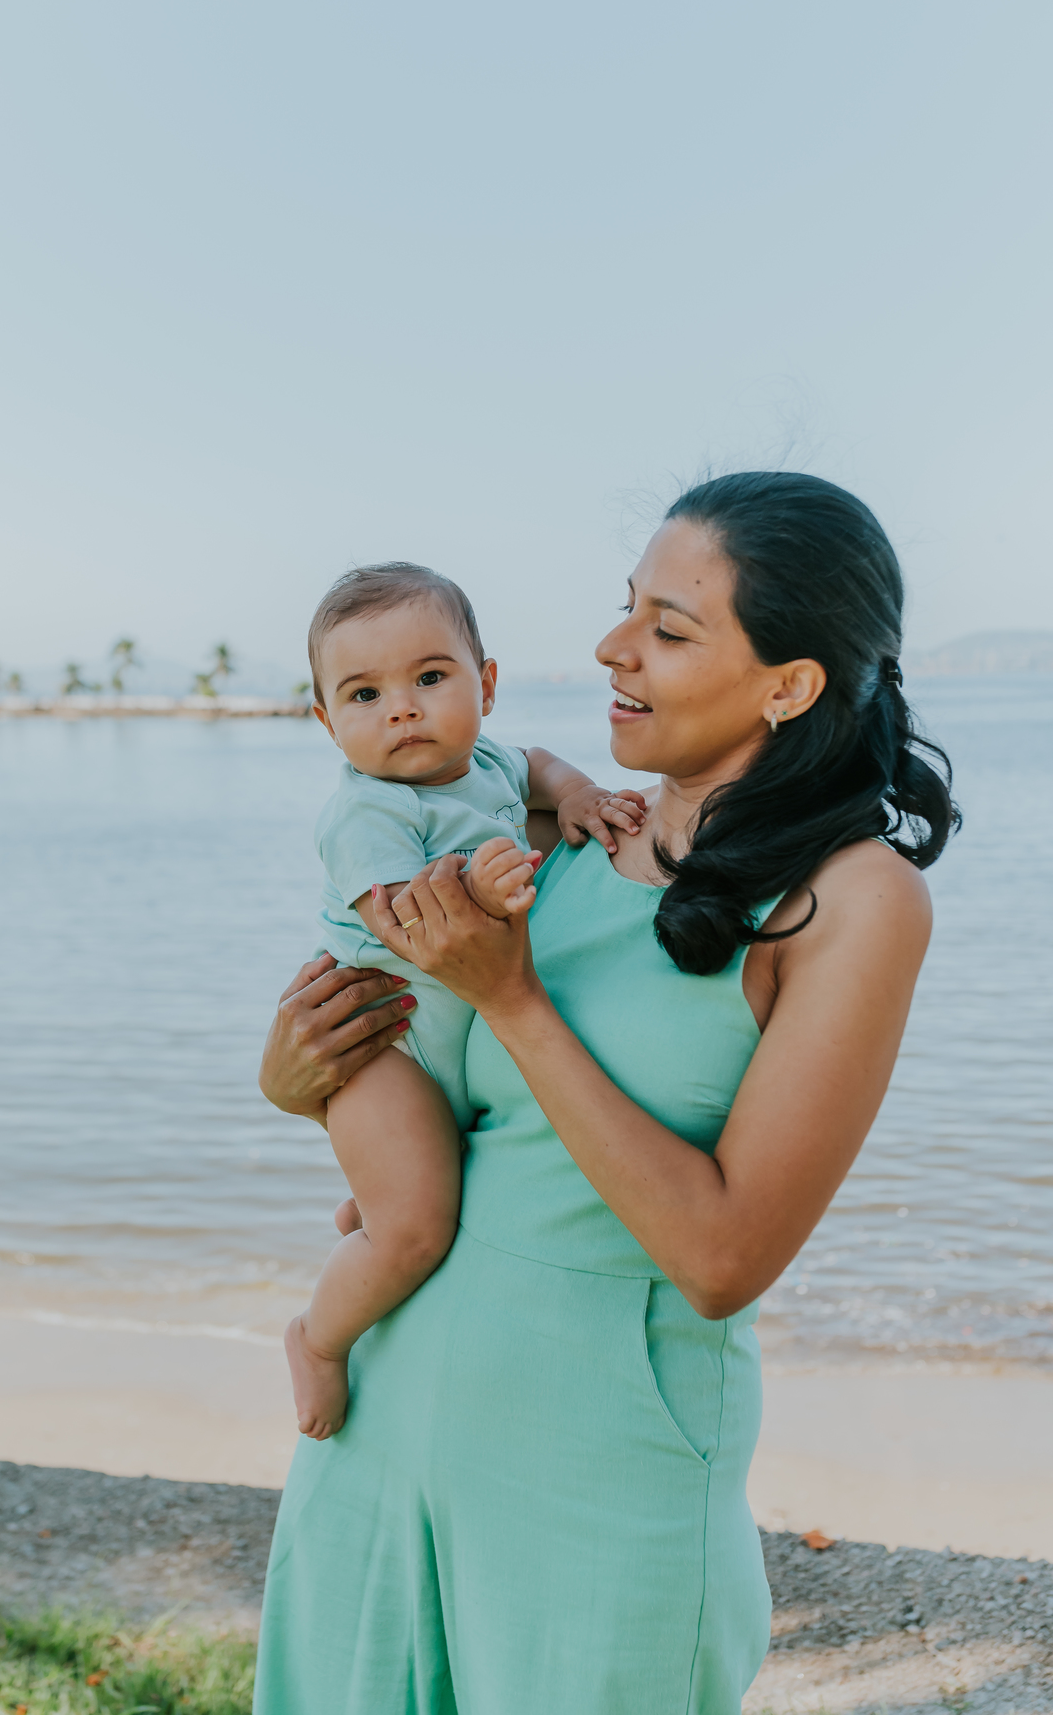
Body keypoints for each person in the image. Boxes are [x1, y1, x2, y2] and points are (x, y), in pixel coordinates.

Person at [254, 472, 958, 1715]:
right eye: (626, 606)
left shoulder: (854, 898)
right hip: (380, 1421)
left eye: (669, 628)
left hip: (596, 1467)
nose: (610, 646)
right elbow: (464, 1124)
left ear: (789, 683)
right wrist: (299, 1080)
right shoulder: (560, 846)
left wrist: (515, 999)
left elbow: (723, 1256)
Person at [288, 561, 646, 1439]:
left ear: (485, 684)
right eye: (364, 695)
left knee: (407, 1195)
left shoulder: (485, 762)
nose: (402, 708)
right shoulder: (368, 812)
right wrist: (485, 888)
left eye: (430, 678)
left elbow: (541, 768)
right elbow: (412, 926)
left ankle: (369, 1204)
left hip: (452, 1044)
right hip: (391, 1046)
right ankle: (320, 1339)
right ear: (329, 724)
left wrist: (580, 796)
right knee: (412, 1234)